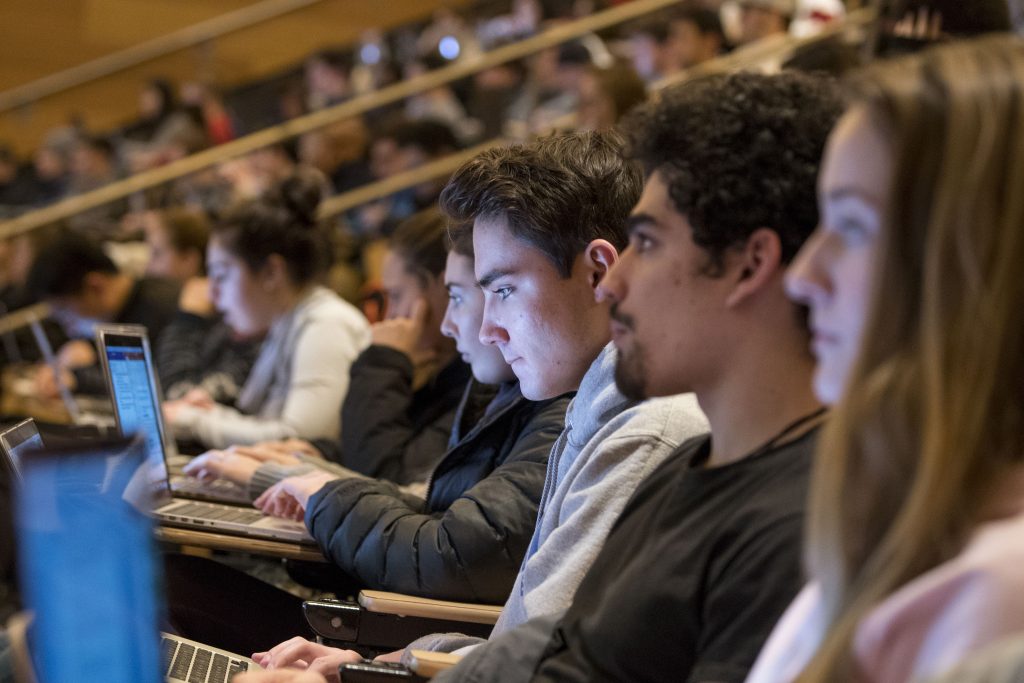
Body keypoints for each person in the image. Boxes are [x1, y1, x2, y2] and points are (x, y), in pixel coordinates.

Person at [411, 70, 839, 683]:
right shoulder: (682, 464)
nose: (613, 282)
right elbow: (561, 656)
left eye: (649, 242)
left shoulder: (676, 445)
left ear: (751, 265)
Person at [245, 131, 707, 681]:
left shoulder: (646, 433)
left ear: (599, 273)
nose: (488, 328)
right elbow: (526, 642)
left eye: (504, 290)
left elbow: (541, 672)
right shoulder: (598, 408)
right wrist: (390, 665)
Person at [745, 35, 1024, 683]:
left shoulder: (992, 601)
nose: (803, 275)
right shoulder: (898, 532)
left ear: (978, 265)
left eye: (854, 226)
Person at [164, 216, 570, 655]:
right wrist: (311, 475)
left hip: (403, 637)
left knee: (164, 585)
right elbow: (427, 504)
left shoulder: (533, 400)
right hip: (400, 621)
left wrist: (313, 482)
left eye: (494, 293)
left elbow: (403, 493)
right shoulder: (501, 391)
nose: (458, 325)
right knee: (165, 579)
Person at [184, 208, 473, 491]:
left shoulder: (328, 324)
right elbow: (365, 455)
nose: (390, 316)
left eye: (396, 296)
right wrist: (319, 452)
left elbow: (382, 477)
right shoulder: (434, 372)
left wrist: (382, 363)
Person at [162, 170, 370, 449]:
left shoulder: (327, 324)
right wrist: (208, 412)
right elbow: (262, 422)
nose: (212, 293)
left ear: (272, 272)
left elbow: (300, 441)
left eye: (222, 275)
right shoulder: (290, 320)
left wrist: (193, 420)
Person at [25, 231, 181, 396]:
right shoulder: (119, 313)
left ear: (95, 286)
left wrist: (77, 379)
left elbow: (159, 387)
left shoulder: (163, 308)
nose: (64, 321)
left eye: (64, 309)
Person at [145, 207, 263, 406]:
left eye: (157, 254)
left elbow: (179, 395)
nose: (148, 268)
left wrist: (187, 320)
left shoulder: (245, 329)